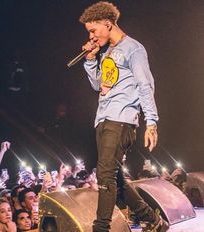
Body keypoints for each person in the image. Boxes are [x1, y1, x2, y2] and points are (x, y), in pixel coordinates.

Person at [79, 2, 168, 232]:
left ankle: (101, 228)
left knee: (105, 173)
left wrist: (151, 122)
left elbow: (145, 85)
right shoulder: (108, 51)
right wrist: (90, 60)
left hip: (122, 119)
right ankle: (153, 220)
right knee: (115, 178)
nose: (91, 36)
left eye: (93, 30)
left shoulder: (133, 49)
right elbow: (100, 85)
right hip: (104, 118)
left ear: (107, 24)